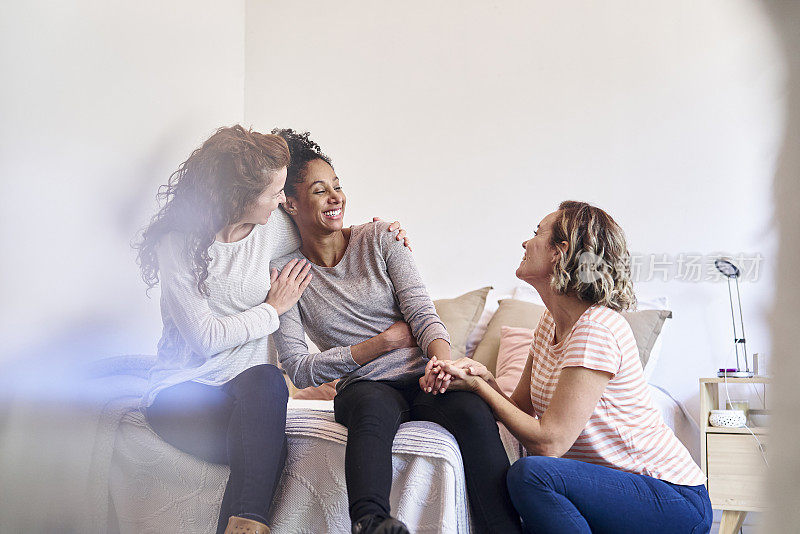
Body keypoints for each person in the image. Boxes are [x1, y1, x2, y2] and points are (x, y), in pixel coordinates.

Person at [135, 125, 412, 534]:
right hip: (182, 394)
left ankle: (246, 526)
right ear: (238, 197)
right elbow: (205, 339)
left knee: (266, 382)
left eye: (284, 191)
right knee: (267, 447)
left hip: (250, 395)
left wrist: (384, 234)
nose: (282, 200)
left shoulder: (273, 228)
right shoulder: (179, 244)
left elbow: (329, 227)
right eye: (273, 193)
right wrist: (272, 308)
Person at [270, 129, 522, 534]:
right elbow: (298, 368)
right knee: (371, 411)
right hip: (365, 386)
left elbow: (423, 315)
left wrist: (442, 363)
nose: (336, 198)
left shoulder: (382, 238)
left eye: (338, 186)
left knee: (474, 411)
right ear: (291, 203)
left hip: (424, 376)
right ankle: (371, 523)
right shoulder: (287, 274)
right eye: (320, 191)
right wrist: (382, 342)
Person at [432, 201, 713, 534]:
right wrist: (484, 378)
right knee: (534, 478)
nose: (525, 243)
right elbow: (519, 408)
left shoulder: (597, 328)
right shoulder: (548, 323)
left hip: (671, 499)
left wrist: (481, 389)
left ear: (560, 252)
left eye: (537, 233)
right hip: (617, 491)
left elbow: (550, 442)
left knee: (533, 474)